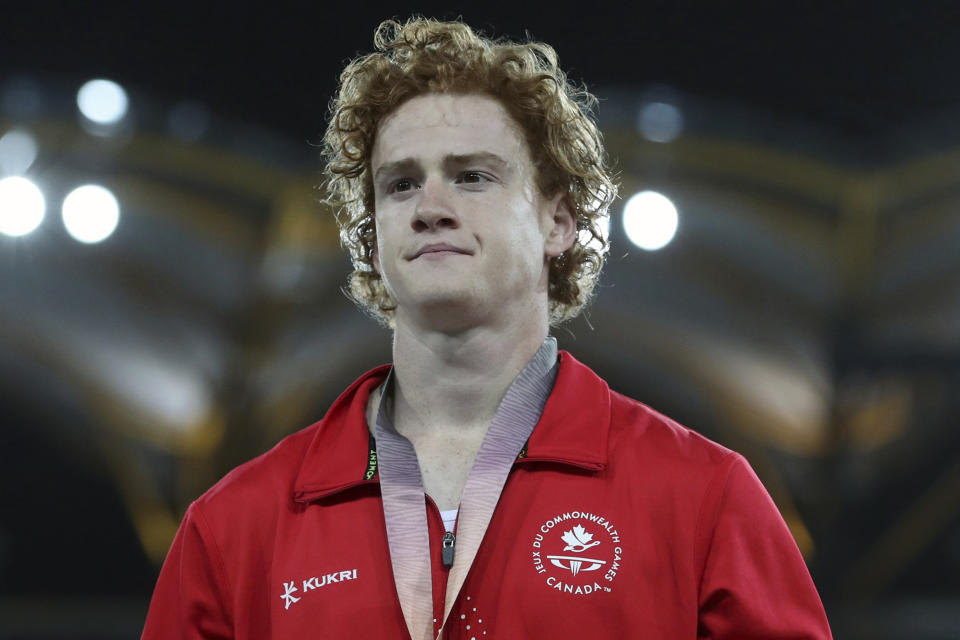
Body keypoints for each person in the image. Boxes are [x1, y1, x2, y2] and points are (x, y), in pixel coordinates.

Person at [141, 17, 832, 640]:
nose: (430, 207)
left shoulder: (702, 498)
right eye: (401, 184)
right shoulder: (234, 527)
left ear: (558, 222)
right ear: (370, 235)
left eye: (472, 177)